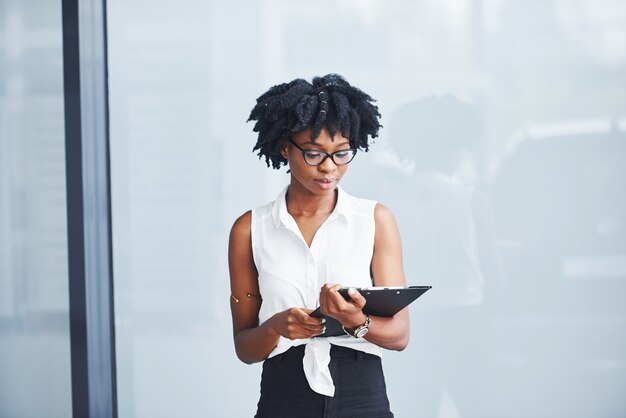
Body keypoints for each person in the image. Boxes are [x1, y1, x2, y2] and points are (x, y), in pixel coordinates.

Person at [228, 74, 408, 418]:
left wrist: (357, 320)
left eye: (342, 154)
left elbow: (399, 335)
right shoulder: (250, 230)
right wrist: (276, 327)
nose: (329, 168)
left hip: (362, 396)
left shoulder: (374, 220)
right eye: (313, 154)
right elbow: (245, 348)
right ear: (284, 147)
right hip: (283, 396)